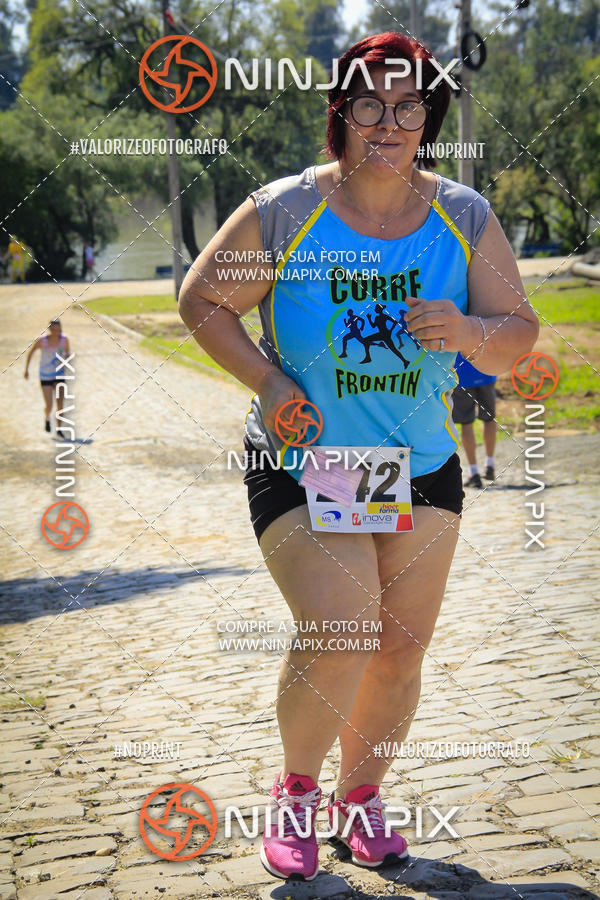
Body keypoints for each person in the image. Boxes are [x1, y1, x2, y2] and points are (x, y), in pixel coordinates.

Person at [179, 31, 539, 882]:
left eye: (407, 104)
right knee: (344, 624)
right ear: (341, 112)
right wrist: (268, 385)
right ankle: (296, 795)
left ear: (428, 116)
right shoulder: (289, 208)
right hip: (315, 459)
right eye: (370, 103)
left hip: (417, 462)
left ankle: (359, 800)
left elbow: (519, 336)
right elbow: (202, 301)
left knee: (398, 649)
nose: (389, 120)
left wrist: (471, 332)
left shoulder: (466, 214)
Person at [452, 352, 497, 488]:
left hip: (462, 376)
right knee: (489, 419)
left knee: (466, 423)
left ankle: (474, 473)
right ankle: (490, 465)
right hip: (487, 372)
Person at [24, 319, 71, 437]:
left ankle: (59, 429)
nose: (55, 331)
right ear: (49, 329)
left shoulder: (64, 340)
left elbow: (67, 353)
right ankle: (47, 418)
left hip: (59, 374)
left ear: (60, 328)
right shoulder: (42, 341)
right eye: (53, 329)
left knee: (60, 403)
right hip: (45, 375)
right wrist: (26, 370)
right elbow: (31, 352)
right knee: (49, 405)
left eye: (57, 329)